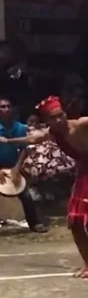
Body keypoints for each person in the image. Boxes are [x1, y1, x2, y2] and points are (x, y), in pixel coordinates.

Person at [0, 96, 88, 278]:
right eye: (53, 118)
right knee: (76, 223)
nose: (58, 120)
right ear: (47, 121)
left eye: (60, 115)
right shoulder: (52, 133)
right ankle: (87, 263)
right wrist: (8, 142)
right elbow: (32, 139)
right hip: (84, 176)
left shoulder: (78, 125)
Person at [0, 96, 46, 232]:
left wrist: (16, 169)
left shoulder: (20, 128)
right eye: (2, 106)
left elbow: (24, 149)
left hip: (14, 165)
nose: (6, 109)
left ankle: (35, 223)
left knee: (26, 194)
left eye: (8, 106)